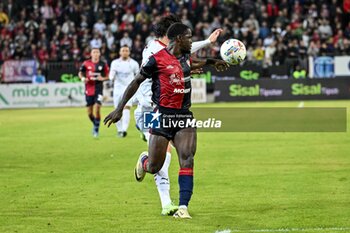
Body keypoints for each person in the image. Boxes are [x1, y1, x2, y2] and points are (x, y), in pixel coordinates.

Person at [104, 23, 228, 218]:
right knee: (155, 166)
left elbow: (193, 63)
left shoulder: (185, 56)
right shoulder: (156, 59)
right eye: (189, 37)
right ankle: (144, 161)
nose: (191, 41)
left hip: (183, 115)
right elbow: (136, 81)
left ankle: (183, 207)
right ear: (178, 39)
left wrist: (213, 62)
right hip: (159, 114)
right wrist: (119, 108)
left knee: (187, 158)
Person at [133, 14, 224, 216]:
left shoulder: (171, 51)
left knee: (184, 155)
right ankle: (163, 195)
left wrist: (188, 70)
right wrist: (207, 42)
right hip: (150, 110)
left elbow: (180, 63)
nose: (188, 40)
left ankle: (178, 204)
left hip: (174, 110)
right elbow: (172, 61)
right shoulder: (156, 50)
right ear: (172, 35)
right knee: (164, 156)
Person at [78, 47, 109, 137]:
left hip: (99, 89)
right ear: (91, 54)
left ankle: (96, 129)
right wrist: (83, 78)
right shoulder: (86, 63)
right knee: (89, 113)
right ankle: (95, 123)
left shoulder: (103, 64)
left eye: (97, 52)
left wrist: (102, 78)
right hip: (88, 90)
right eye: (94, 52)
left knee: (97, 108)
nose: (95, 54)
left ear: (99, 54)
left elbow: (108, 76)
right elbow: (80, 73)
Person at [109, 45, 139, 137]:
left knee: (126, 108)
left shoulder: (134, 63)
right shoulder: (115, 63)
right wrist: (111, 77)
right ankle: (119, 129)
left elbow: (137, 75)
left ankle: (124, 130)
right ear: (120, 52)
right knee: (117, 109)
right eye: (123, 50)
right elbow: (112, 73)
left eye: (126, 50)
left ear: (129, 52)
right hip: (117, 89)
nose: (125, 52)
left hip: (128, 88)